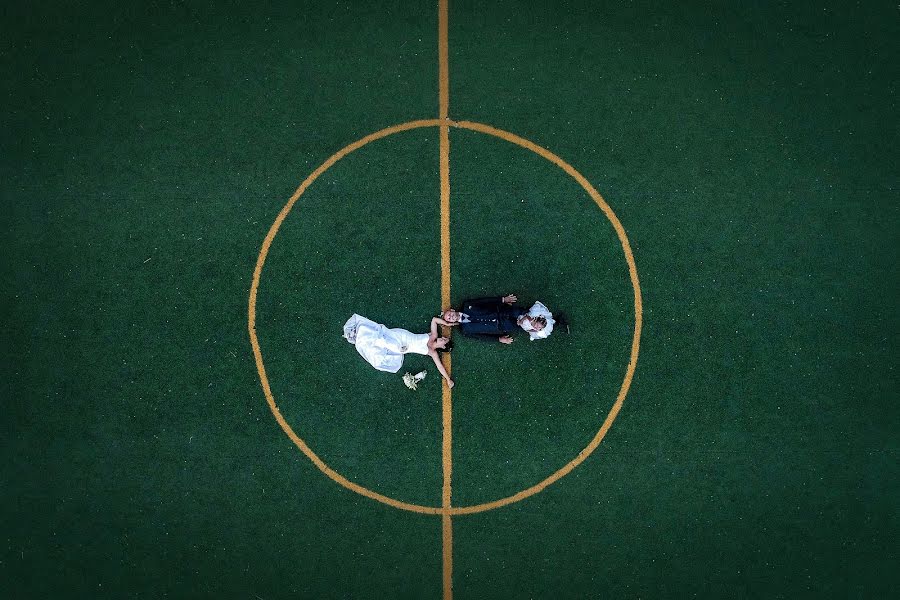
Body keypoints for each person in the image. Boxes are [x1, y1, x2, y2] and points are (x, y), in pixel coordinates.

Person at [343, 314, 455, 387]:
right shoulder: (433, 335)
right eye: (444, 338)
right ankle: (359, 333)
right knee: (384, 336)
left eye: (444, 341)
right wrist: (447, 323)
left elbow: (440, 366)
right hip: (402, 335)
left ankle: (358, 335)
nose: (442, 338)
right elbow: (434, 320)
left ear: (443, 347)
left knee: (385, 344)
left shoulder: (432, 352)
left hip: (402, 348)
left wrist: (448, 379)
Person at [441, 294, 555, 344]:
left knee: (525, 313)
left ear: (452, 310)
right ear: (451, 322)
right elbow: (482, 337)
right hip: (501, 326)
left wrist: (502, 300)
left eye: (449, 315)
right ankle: (552, 324)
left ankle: (546, 317)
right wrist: (499, 339)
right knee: (525, 327)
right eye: (449, 319)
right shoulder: (465, 331)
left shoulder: (467, 305)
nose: (451, 317)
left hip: (502, 311)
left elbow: (484, 301)